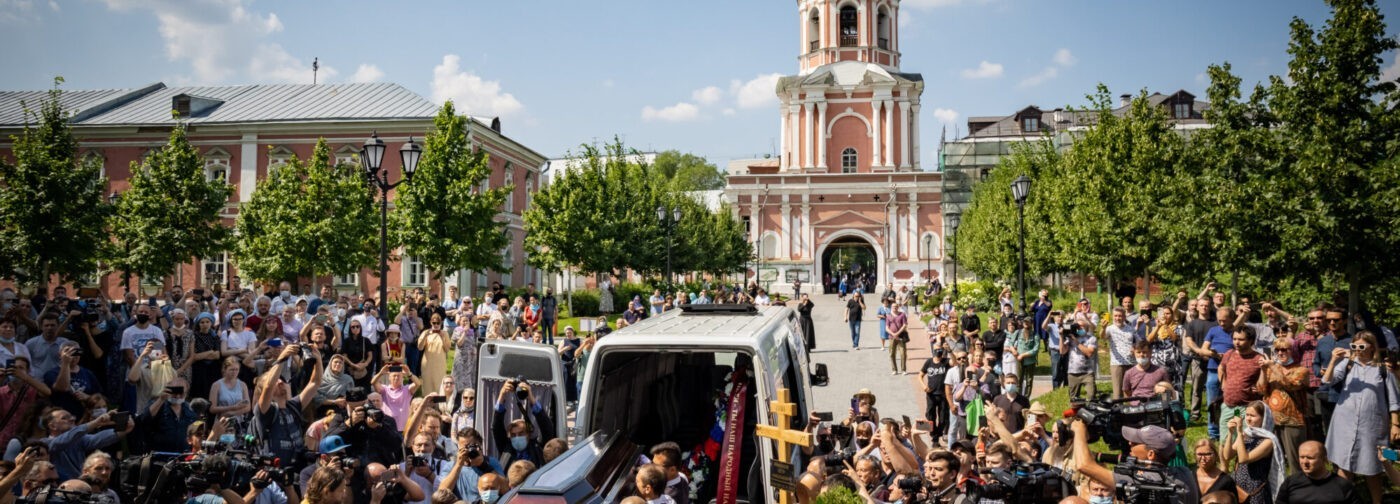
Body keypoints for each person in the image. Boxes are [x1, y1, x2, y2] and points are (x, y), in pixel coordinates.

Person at [1321, 330, 1400, 504]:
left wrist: (1395, 425)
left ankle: (1376, 501)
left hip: (1372, 425)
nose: (1357, 349)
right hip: (1344, 423)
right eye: (1354, 346)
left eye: (1361, 346)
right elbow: (1327, 381)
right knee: (1344, 463)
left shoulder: (1382, 369)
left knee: (1373, 465)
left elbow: (1394, 399)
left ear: (1372, 347)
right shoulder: (1347, 364)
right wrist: (1334, 360)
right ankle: (1343, 500)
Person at [1071, 420, 1199, 504]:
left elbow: (1083, 465)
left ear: (1151, 454)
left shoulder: (1141, 480)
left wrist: (1079, 430)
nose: (1130, 443)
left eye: (1136, 442)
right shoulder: (1185, 473)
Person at [1258, 336, 1308, 476]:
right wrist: (1263, 370)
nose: (1280, 353)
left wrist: (1272, 366)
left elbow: (1290, 384)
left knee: (1295, 460)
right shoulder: (1270, 369)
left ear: (1293, 351)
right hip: (1272, 420)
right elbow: (1261, 389)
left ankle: (1298, 488)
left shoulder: (1301, 370)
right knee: (1273, 459)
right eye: (1277, 350)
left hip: (1293, 421)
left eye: (1284, 350)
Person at [1222, 401, 1284, 504]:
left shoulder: (1268, 441)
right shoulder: (1246, 434)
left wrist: (1239, 432)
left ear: (1263, 418)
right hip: (1237, 487)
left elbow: (1244, 459)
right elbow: (1227, 456)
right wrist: (1230, 433)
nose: (1248, 419)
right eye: (1247, 415)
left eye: (1253, 416)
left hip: (1255, 491)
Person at [1274, 441, 1359, 504]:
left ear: (1324, 459)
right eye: (1302, 457)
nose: (1305, 462)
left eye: (1310, 458)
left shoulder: (1342, 485)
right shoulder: (1291, 482)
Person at [919, 349, 950, 440]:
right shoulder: (929, 362)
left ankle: (938, 435)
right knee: (929, 414)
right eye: (937, 351)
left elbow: (954, 362)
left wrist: (950, 350)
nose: (938, 354)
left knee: (943, 416)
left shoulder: (946, 361)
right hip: (931, 394)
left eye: (940, 352)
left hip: (943, 394)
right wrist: (924, 386)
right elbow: (920, 375)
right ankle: (933, 434)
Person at [1105, 308, 1134, 400]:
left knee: (1130, 392)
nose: (1118, 318)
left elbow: (1137, 341)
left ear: (1124, 317)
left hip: (1131, 363)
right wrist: (1102, 328)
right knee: (1118, 393)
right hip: (1117, 364)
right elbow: (1103, 336)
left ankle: (1132, 411)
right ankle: (1118, 412)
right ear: (1113, 317)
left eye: (1120, 316)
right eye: (1116, 316)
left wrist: (1135, 347)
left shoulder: (1131, 329)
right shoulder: (1109, 329)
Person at [1064, 322, 1097, 400]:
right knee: (1073, 398)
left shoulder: (1091, 338)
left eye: (1082, 326)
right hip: (1073, 372)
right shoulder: (1070, 338)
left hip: (1087, 372)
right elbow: (1062, 351)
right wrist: (1061, 336)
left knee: (1091, 396)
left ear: (1087, 328)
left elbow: (1089, 353)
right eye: (1078, 327)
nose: (1079, 329)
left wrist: (1076, 341)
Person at [419, 314, 449, 397]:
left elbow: (447, 349)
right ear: (430, 323)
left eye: (438, 323)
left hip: (440, 363)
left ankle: (439, 406)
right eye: (434, 323)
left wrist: (442, 338)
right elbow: (420, 347)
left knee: (439, 384)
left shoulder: (445, 333)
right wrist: (425, 336)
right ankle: (427, 406)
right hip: (427, 363)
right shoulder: (425, 332)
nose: (436, 325)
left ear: (441, 323)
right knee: (427, 384)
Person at [886, 302, 909, 375]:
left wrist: (897, 333)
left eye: (896, 306)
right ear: (891, 307)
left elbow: (904, 325)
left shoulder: (902, 314)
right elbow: (886, 327)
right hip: (891, 337)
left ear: (898, 307)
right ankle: (894, 369)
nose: (894, 308)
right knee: (892, 353)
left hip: (901, 336)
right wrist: (893, 334)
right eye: (893, 306)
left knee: (903, 353)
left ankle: (903, 370)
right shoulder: (888, 316)